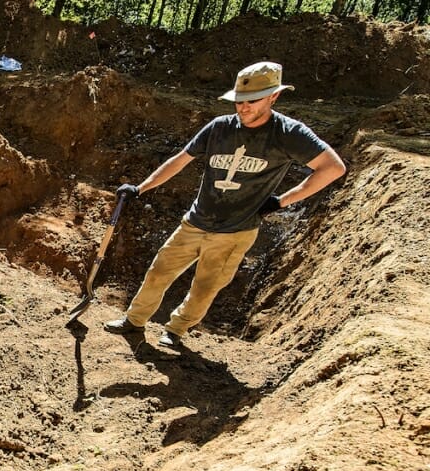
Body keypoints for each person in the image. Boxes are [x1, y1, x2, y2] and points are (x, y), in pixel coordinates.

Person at [104, 61, 346, 348]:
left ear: (274, 96)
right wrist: (140, 188)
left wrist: (282, 202)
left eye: (251, 101)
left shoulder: (288, 134)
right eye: (238, 101)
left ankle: (176, 330)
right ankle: (134, 321)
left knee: (205, 288)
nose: (242, 108)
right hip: (195, 220)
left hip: (235, 231)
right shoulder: (219, 128)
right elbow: (181, 160)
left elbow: (332, 168)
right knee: (159, 271)